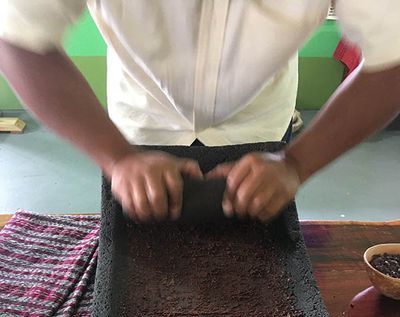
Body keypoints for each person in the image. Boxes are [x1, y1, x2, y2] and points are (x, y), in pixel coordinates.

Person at [0, 1, 399, 223]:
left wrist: (296, 164)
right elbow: (17, 38)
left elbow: (394, 57)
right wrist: (117, 159)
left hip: (260, 126)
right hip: (139, 124)